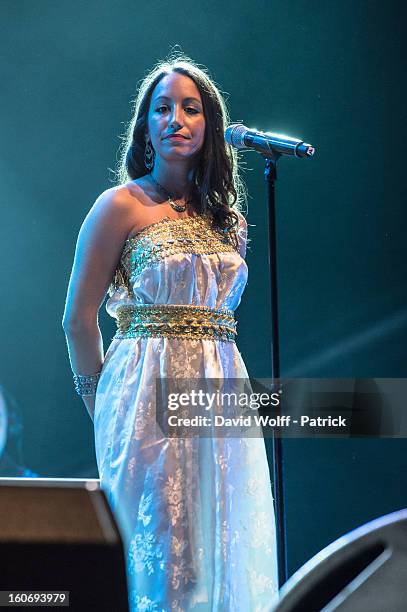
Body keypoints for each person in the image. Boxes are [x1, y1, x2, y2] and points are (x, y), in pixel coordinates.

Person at [62, 53, 278, 611]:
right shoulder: (120, 207)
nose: (175, 119)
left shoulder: (229, 220)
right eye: (162, 109)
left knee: (220, 542)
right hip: (143, 392)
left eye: (190, 108)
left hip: (220, 389)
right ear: (146, 127)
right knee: (163, 547)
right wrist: (102, 402)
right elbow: (77, 319)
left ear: (211, 126)